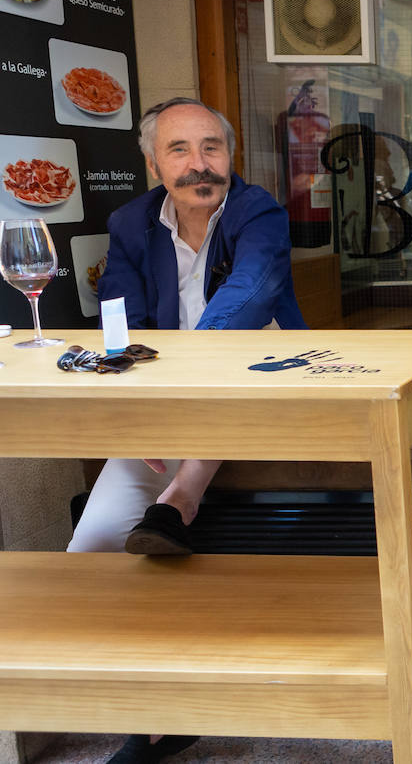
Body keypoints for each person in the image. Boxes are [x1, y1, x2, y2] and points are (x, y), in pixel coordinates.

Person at [67, 97, 306, 764]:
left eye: (212, 148)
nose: (200, 164)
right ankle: (151, 717)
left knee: (246, 341)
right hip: (163, 401)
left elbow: (251, 294)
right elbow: (122, 316)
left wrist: (178, 389)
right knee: (89, 555)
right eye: (180, 150)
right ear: (152, 162)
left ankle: (181, 497)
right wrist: (141, 404)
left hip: (260, 382)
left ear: (231, 156)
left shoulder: (258, 211)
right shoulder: (130, 222)